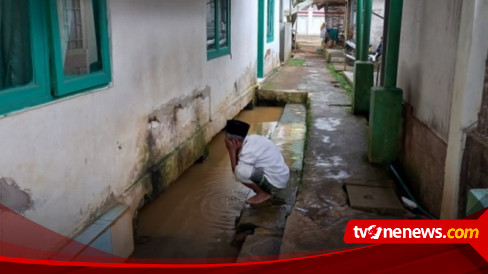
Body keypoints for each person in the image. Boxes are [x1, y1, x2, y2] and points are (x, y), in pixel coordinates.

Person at [224, 119, 290, 205]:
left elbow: (236, 172)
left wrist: (231, 150)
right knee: (242, 169)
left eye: (226, 141)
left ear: (235, 141)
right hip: (280, 176)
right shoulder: (251, 140)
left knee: (240, 171)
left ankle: (263, 194)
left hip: (276, 183)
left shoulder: (248, 151)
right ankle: (262, 190)